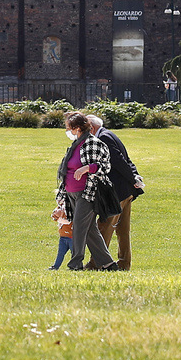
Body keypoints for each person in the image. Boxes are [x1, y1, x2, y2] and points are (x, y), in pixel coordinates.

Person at [55, 111, 118, 271]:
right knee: (89, 229)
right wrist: (62, 195)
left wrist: (87, 168)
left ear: (77, 128)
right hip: (71, 193)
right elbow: (66, 171)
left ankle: (75, 263)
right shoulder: (74, 145)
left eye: (69, 128)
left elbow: (105, 166)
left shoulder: (94, 143)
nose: (68, 131)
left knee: (79, 226)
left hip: (88, 193)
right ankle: (108, 264)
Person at [87, 113, 144, 271]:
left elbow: (118, 161)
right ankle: (124, 263)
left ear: (91, 128)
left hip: (116, 192)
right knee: (122, 230)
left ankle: (96, 263)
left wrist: (133, 179)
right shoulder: (110, 134)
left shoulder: (103, 138)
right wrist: (135, 178)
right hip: (126, 191)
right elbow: (126, 160)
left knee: (104, 226)